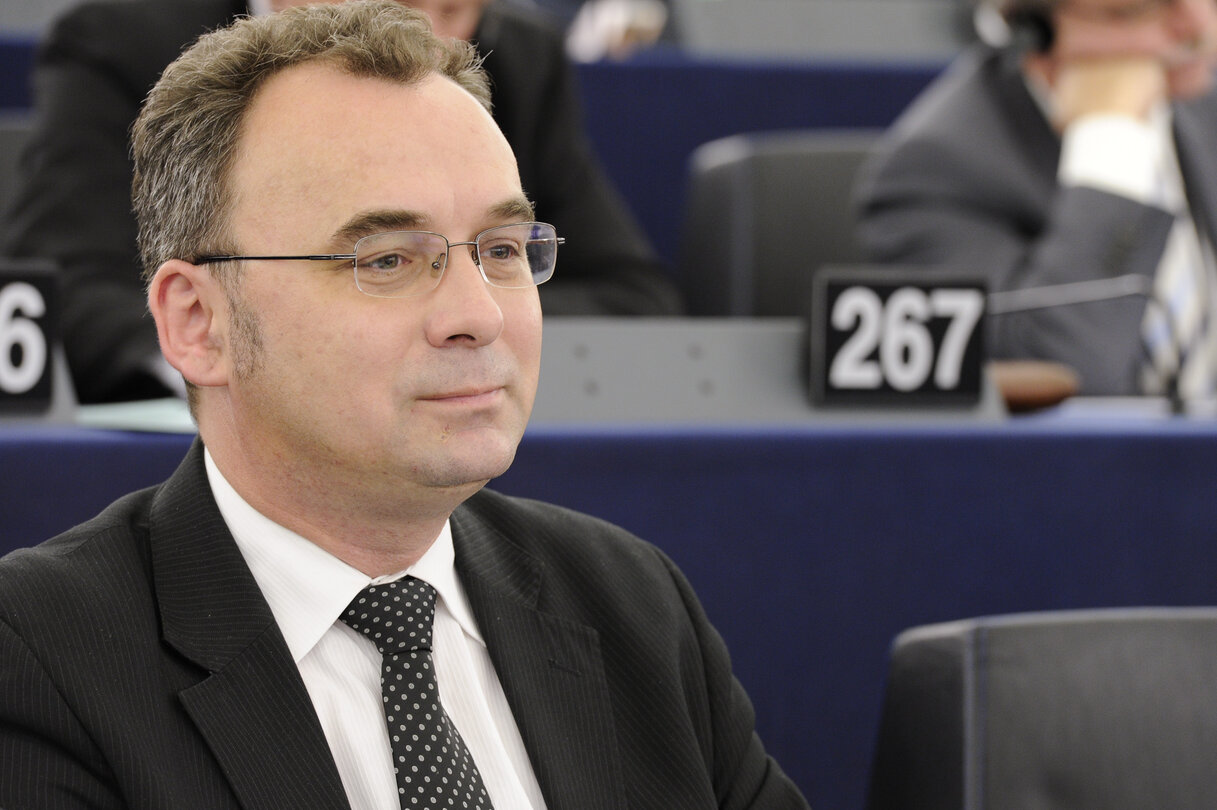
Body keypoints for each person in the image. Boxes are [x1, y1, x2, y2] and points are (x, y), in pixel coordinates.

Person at [0, 3, 809, 808]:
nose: (480, 314)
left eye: (501, 251)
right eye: (387, 260)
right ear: (197, 322)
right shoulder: (41, 659)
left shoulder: (634, 605)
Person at [1, 0, 683, 405]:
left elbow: (631, 294)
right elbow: (57, 288)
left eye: (459, 13)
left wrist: (444, 309)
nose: (440, 51)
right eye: (412, 12)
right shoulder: (122, 42)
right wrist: (240, 354)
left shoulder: (517, 56)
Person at [853, 0, 1217, 397]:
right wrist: (1111, 154)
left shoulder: (1202, 102)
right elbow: (1064, 378)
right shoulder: (933, 176)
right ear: (1031, 31)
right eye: (1137, 12)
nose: (1200, 28)